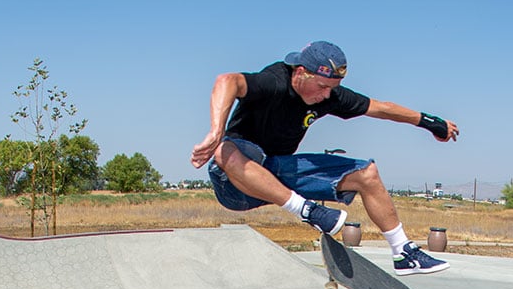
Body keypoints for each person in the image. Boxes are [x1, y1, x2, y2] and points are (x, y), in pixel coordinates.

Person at [190, 40, 460, 275]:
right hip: (235, 184)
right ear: (300, 73)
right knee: (226, 149)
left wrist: (430, 122)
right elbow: (227, 81)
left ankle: (403, 252)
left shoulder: (328, 97)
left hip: (278, 175)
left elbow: (381, 108)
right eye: (322, 87)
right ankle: (307, 210)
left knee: (367, 174)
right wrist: (216, 131)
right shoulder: (274, 81)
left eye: (333, 88)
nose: (326, 95)